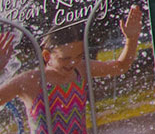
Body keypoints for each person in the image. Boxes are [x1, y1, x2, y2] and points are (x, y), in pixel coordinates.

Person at [0, 7, 144, 134]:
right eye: (65, 58)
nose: (73, 63)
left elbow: (120, 67)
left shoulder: (81, 69)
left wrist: (131, 39)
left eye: (79, 56)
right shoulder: (31, 81)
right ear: (47, 56)